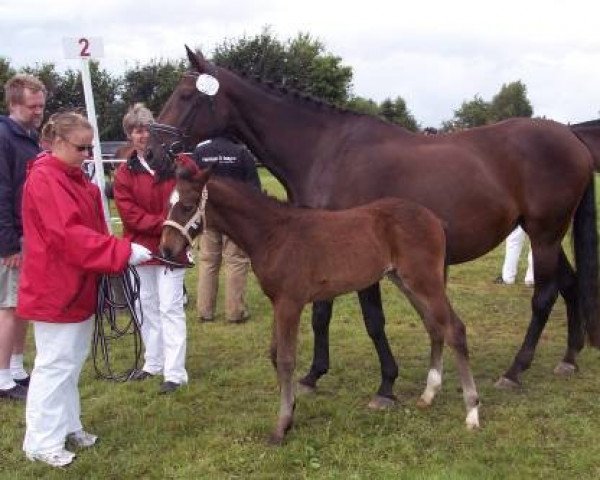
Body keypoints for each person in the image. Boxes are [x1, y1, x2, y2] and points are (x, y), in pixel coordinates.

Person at [17, 112, 152, 468]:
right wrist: (121, 251)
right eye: (81, 148)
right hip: (55, 288)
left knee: (71, 363)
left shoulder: (75, 179)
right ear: (57, 143)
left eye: (90, 147)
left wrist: (115, 250)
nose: (87, 154)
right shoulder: (47, 180)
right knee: (54, 365)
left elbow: (87, 232)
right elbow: (68, 235)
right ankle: (41, 441)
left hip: (76, 285)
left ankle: (68, 425)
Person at [113, 103, 188, 394]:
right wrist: (166, 223)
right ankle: (153, 362)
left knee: (170, 307)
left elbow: (187, 192)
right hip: (141, 249)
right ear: (129, 135)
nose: (141, 135)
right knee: (146, 305)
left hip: (171, 247)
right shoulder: (124, 173)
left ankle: (175, 371)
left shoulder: (172, 162)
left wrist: (170, 227)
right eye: (135, 130)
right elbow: (130, 214)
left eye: (145, 129)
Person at [0, 74, 47, 401]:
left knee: (21, 305)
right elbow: (1, 193)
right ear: (15, 104)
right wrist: (8, 243)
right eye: (33, 107)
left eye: (42, 106)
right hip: (12, 238)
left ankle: (16, 367)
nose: (39, 112)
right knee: (8, 307)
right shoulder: (4, 137)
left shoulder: (28, 137)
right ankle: (2, 377)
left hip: (26, 234)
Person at [192, 136, 261, 323]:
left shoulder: (200, 151)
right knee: (236, 261)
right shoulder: (241, 152)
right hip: (235, 218)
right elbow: (254, 189)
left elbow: (193, 185)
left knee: (208, 261)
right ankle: (235, 312)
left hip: (209, 215)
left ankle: (205, 311)